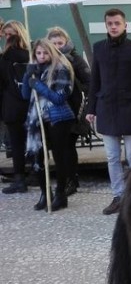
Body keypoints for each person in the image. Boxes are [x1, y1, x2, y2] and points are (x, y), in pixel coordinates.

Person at [86, 8, 131, 215]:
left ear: (125, 25)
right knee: (112, 157)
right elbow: (95, 80)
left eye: (117, 23)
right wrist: (91, 108)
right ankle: (118, 196)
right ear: (106, 26)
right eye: (110, 24)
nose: (113, 27)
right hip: (107, 109)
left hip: (130, 109)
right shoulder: (99, 49)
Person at [21, 39, 75, 211]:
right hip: (37, 119)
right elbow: (24, 95)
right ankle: (45, 193)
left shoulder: (61, 69)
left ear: (51, 52)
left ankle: (61, 195)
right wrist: (27, 75)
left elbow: (59, 98)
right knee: (37, 157)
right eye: (38, 53)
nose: (42, 56)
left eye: (45, 53)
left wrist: (38, 85)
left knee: (59, 157)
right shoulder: (34, 69)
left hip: (57, 118)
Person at [46, 26, 91, 196]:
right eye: (53, 43)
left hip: (73, 109)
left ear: (66, 42)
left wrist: (78, 94)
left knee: (67, 146)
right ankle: (64, 180)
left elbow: (89, 81)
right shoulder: (46, 59)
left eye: (60, 42)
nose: (57, 46)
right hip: (52, 110)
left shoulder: (74, 59)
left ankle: (71, 180)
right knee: (58, 147)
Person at [0, 20, 30, 194]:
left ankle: (20, 179)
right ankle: (36, 173)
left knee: (17, 144)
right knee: (35, 142)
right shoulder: (31, 55)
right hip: (31, 105)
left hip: (12, 106)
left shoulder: (4, 58)